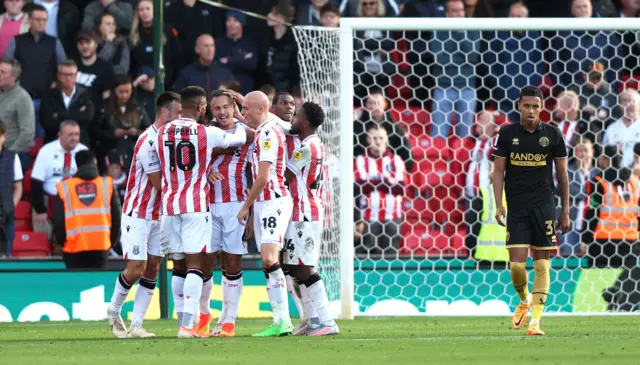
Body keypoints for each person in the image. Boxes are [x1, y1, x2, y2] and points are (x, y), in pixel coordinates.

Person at [157, 86, 247, 338]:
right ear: (200, 108)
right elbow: (238, 138)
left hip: (169, 206)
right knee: (196, 266)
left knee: (178, 267)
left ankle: (183, 322)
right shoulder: (205, 132)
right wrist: (239, 120)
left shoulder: (162, 131)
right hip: (195, 206)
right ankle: (188, 325)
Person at [492, 86, 570, 336]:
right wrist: (498, 204)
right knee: (516, 266)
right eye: (527, 106)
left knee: (542, 266)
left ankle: (535, 322)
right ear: (519, 107)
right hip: (517, 207)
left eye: (536, 106)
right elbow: (498, 172)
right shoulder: (506, 134)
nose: (531, 110)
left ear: (542, 107)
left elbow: (562, 175)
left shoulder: (553, 134)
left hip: (544, 206)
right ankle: (524, 300)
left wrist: (565, 210)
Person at [106, 91, 181, 339]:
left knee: (153, 267)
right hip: (138, 213)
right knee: (136, 268)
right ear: (164, 112)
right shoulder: (148, 141)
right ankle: (114, 311)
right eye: (178, 113)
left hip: (159, 215)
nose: (180, 118)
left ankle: (136, 325)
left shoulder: (171, 140)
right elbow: (159, 183)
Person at [237, 91, 293, 337]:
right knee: (268, 262)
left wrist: (244, 206)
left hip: (273, 202)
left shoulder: (268, 132)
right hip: (263, 203)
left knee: (271, 259)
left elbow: (263, 177)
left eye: (246, 108)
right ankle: (280, 320)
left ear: (260, 109)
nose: (243, 113)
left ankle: (284, 320)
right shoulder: (262, 130)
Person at [283, 102, 339, 336]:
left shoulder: (305, 148)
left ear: (305, 122)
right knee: (293, 267)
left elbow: (284, 174)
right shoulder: (314, 144)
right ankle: (313, 320)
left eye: (296, 116)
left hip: (304, 213)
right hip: (302, 211)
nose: (292, 120)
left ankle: (326, 322)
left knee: (304, 268)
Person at [204, 90, 252, 337]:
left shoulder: (249, 134)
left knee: (232, 264)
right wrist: (205, 174)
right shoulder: (206, 134)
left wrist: (251, 209)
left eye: (225, 107)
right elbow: (192, 165)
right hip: (209, 206)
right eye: (216, 109)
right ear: (210, 111)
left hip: (236, 205)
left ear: (233, 107)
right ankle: (205, 317)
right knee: (205, 264)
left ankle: (228, 321)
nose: (222, 113)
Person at [52, 150, 121, 269]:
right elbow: (117, 218)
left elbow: (58, 221)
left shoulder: (65, 187)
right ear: (94, 163)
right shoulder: (106, 184)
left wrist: (63, 242)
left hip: (73, 249)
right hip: (101, 248)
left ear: (77, 164)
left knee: (76, 285)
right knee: (98, 285)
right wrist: (110, 243)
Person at [30, 120, 87, 239]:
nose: (74, 138)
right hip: (49, 200)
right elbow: (36, 182)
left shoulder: (84, 152)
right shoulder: (46, 151)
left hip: (76, 202)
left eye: (76, 134)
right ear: (60, 135)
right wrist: (40, 209)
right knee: (42, 236)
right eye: (70, 135)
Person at [354, 125, 406, 255]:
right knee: (366, 255)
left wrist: (372, 182)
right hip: (368, 216)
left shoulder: (396, 160)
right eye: (374, 138)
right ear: (368, 140)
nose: (378, 141)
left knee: (391, 256)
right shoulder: (361, 160)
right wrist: (386, 182)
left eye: (381, 138)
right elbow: (360, 186)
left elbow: (400, 188)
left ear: (386, 140)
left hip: (393, 215)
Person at [0, 58, 35, 171]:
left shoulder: (22, 98)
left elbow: (28, 133)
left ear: (14, 77)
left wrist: (9, 154)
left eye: (2, 72)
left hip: (12, 155)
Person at [0, 120, 23, 257]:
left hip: (6, 218)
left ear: (4, 136)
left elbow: (18, 187)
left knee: (5, 257)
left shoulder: (12, 157)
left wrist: (10, 206)